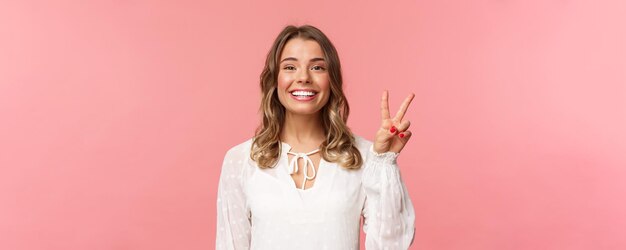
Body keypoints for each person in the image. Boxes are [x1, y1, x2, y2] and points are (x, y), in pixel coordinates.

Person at [216, 24, 416, 250]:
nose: (303, 77)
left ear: (332, 80)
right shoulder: (241, 160)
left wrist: (384, 161)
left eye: (318, 68)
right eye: (290, 67)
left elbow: (389, 246)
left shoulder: (365, 157)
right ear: (274, 79)